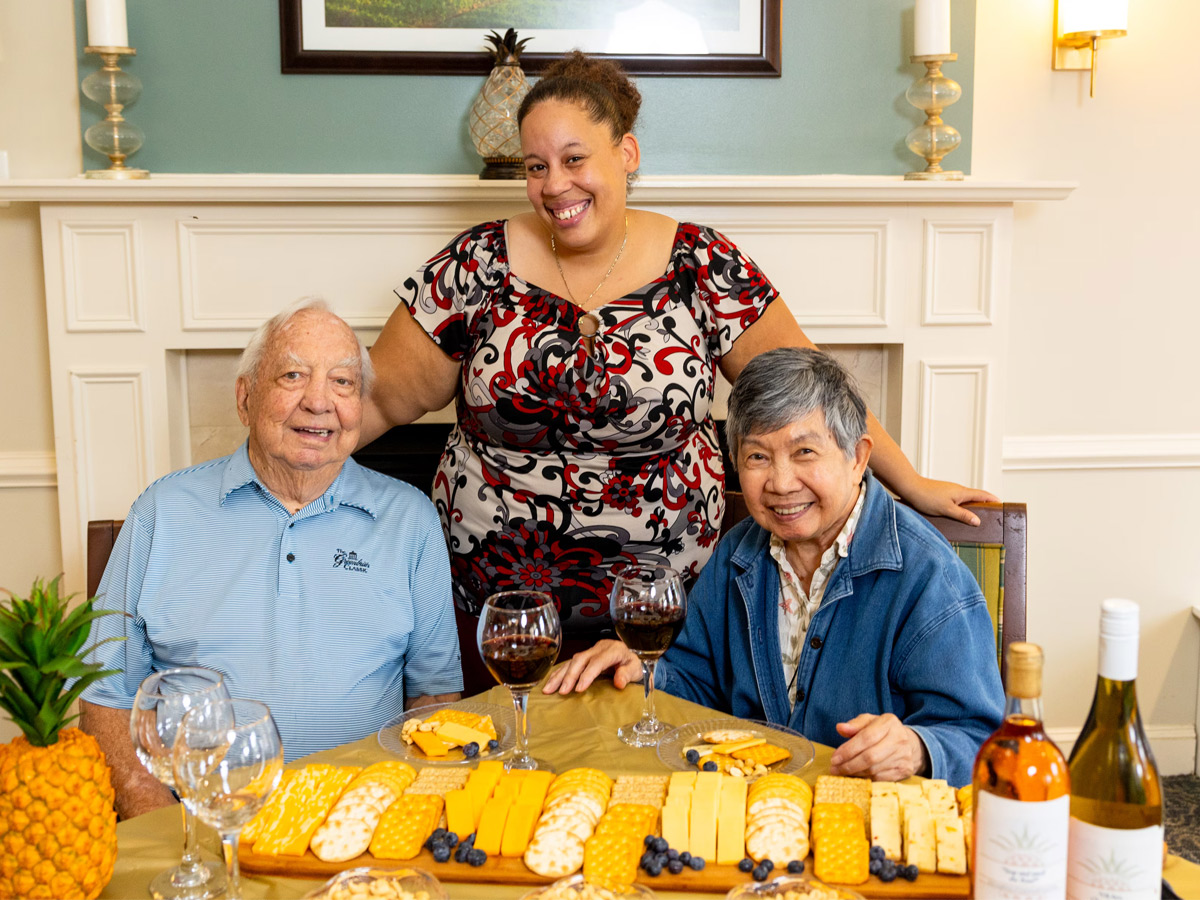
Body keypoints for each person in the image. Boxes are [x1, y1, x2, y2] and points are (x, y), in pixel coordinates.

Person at [361, 51, 996, 671]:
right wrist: (275, 458)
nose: (554, 185)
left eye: (574, 158)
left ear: (627, 153)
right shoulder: (475, 264)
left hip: (665, 616)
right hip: (501, 614)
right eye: (535, 166)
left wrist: (906, 479)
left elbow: (810, 394)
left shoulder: (700, 263)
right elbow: (382, 396)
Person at [545, 348, 1004, 787]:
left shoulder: (929, 576)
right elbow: (697, 679)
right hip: (745, 806)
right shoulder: (736, 554)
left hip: (861, 823)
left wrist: (918, 748)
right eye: (758, 457)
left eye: (805, 452)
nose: (781, 484)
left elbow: (980, 739)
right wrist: (645, 668)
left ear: (858, 458)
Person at [80, 299, 463, 819]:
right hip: (194, 813)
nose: (319, 402)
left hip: (359, 812)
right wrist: (159, 824)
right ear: (245, 398)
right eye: (292, 375)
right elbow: (104, 691)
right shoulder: (161, 511)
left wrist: (410, 813)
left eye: (343, 383)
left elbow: (434, 700)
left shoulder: (409, 519)